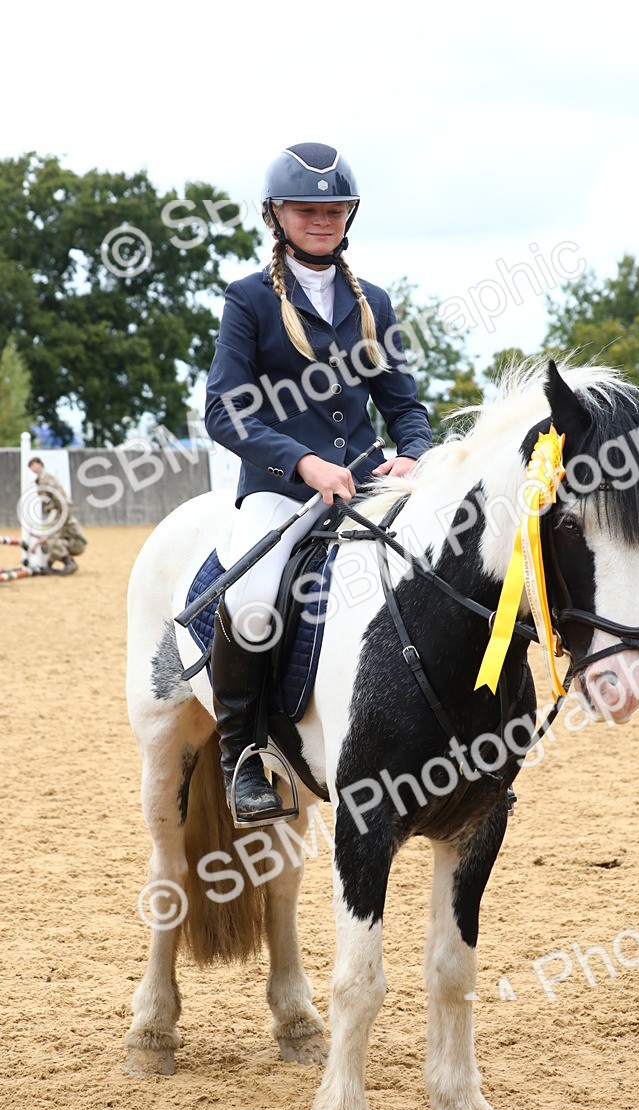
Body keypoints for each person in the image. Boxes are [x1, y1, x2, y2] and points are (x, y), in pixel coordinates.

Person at [204, 142, 433, 825]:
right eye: (307, 209)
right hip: (280, 488)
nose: (322, 219)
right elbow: (224, 407)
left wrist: (414, 453)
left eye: (334, 209)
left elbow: (404, 405)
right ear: (278, 216)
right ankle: (243, 758)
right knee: (251, 600)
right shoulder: (248, 300)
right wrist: (300, 463)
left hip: (365, 485)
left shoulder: (375, 303)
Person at [27, 457, 87, 575]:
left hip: (77, 542)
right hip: (60, 514)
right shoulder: (42, 479)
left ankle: (69, 563)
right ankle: (49, 565)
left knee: (50, 541)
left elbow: (57, 496)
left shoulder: (46, 479)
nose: (33, 468)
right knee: (49, 541)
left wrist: (35, 544)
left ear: (40, 465)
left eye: (34, 465)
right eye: (31, 466)